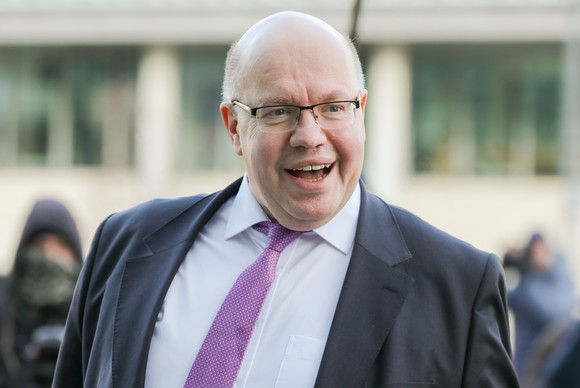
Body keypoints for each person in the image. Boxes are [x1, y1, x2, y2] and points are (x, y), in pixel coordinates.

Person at [52, 11, 519, 388]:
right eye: (278, 111)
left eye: (334, 108)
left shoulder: (456, 287)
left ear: (362, 112)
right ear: (234, 127)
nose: (310, 136)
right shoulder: (127, 243)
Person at [0, 199, 83, 388]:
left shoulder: (89, 308)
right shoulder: (5, 305)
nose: (50, 253)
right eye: (41, 244)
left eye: (60, 245)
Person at [505, 233, 576, 385]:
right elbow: (499, 297)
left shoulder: (558, 281)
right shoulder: (526, 284)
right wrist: (509, 264)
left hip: (549, 376)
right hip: (525, 373)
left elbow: (555, 315)